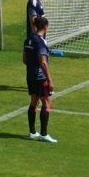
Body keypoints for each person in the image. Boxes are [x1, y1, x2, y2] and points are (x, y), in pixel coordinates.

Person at [24, 15, 57, 143]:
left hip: (30, 76)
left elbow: (25, 59)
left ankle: (32, 132)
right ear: (45, 27)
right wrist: (49, 80)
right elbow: (43, 62)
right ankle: (43, 134)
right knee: (47, 102)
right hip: (40, 77)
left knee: (34, 102)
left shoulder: (28, 40)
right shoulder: (41, 42)